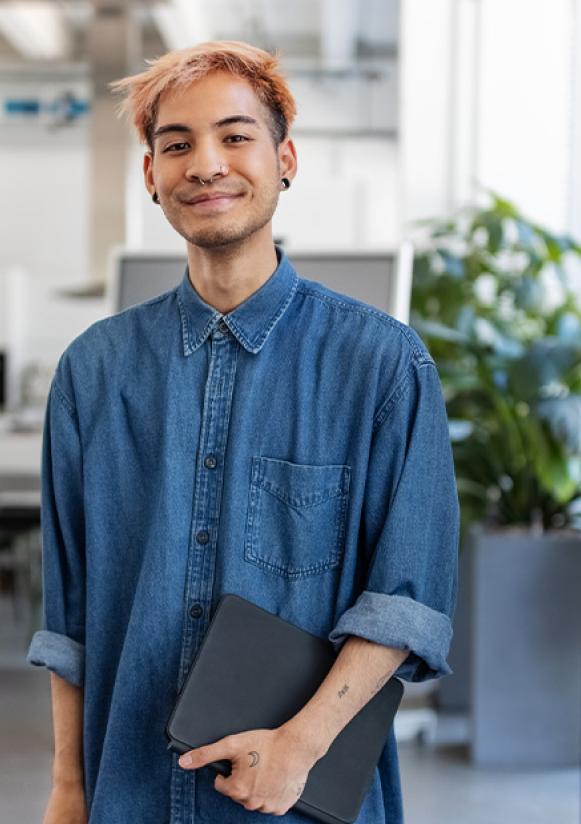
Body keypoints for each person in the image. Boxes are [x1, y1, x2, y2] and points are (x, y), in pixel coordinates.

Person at [28, 40, 458, 824]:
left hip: (297, 797)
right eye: (177, 144)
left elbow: (405, 603)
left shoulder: (382, 366)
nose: (205, 164)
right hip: (129, 791)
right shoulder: (92, 372)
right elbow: (71, 618)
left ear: (284, 158)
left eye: (235, 136)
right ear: (151, 177)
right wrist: (68, 787)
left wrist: (298, 745)